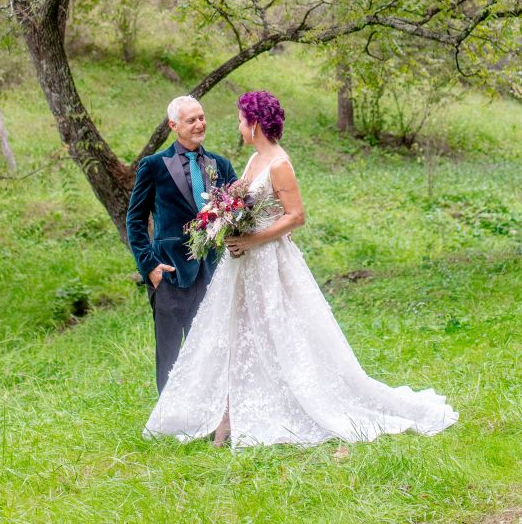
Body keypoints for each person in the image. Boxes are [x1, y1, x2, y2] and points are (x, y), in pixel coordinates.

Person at [144, 90, 458, 448]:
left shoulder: (278, 163)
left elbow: (296, 216)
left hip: (269, 261)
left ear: (255, 123)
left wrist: (251, 239)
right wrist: (222, 221)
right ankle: (229, 415)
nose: (238, 125)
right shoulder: (253, 161)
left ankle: (284, 405)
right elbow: (238, 202)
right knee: (238, 335)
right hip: (242, 266)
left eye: (242, 120)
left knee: (278, 332)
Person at [126, 95, 237, 394]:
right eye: (191, 120)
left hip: (212, 273)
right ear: (174, 125)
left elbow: (236, 213)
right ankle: (168, 421)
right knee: (171, 353)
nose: (200, 124)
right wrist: (149, 266)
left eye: (201, 117)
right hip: (170, 273)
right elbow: (135, 220)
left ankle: (211, 417)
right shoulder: (153, 166)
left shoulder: (220, 164)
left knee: (211, 351)